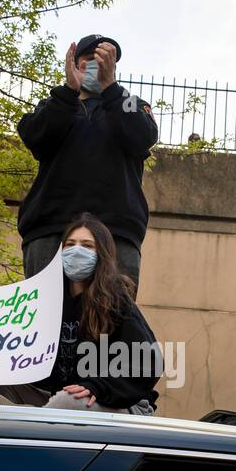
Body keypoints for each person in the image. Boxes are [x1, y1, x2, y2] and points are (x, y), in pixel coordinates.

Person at [0, 214, 162, 414]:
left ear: (102, 254)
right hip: (54, 399)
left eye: (87, 246)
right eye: (70, 245)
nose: (76, 252)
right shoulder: (43, 298)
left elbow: (150, 361)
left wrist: (97, 386)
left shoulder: (116, 300)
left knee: (66, 401)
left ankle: (32, 436)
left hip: (118, 401)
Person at [16, 34, 157, 299]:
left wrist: (111, 90)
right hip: (50, 229)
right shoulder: (55, 104)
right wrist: (68, 92)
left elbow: (143, 136)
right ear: (75, 64)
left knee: (113, 320)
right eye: (88, 61)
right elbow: (34, 135)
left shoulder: (131, 104)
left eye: (103, 62)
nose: (95, 67)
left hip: (116, 231)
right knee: (43, 317)